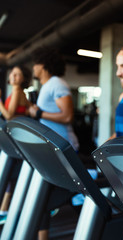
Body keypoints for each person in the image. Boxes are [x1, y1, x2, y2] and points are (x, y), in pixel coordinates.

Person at [28, 46, 79, 240]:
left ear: (43, 65)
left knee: (46, 199)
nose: (33, 68)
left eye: (35, 64)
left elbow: (67, 116)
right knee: (47, 198)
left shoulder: (57, 83)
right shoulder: (48, 85)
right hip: (52, 149)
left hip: (64, 149)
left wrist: (39, 113)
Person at [0, 65, 32, 224]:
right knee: (11, 171)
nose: (13, 76)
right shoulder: (17, 92)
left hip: (16, 138)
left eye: (18, 74)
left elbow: (9, 116)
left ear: (23, 78)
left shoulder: (18, 92)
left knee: (11, 171)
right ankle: (4, 208)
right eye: (13, 73)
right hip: (15, 137)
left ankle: (5, 209)